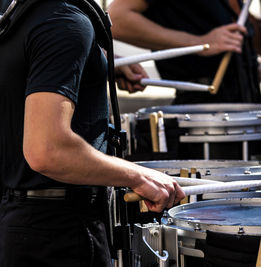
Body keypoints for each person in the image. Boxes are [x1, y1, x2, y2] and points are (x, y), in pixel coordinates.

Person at [0, 0, 185, 265]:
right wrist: (137, 176)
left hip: (17, 223)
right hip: (60, 235)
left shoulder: (16, 12)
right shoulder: (64, 22)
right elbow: (47, 150)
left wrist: (95, 61)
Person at [107, 0, 261, 104]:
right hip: (202, 118)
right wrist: (199, 42)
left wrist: (247, 66)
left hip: (249, 104)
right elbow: (117, 19)